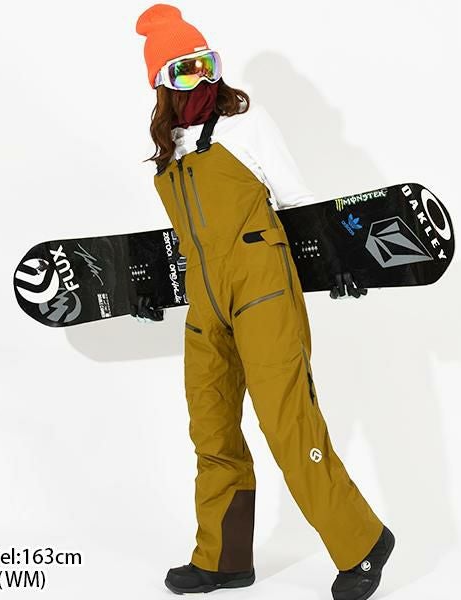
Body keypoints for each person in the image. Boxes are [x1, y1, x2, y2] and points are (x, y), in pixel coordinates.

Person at [134, 5, 395, 599]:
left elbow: (297, 202)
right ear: (161, 83)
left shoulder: (245, 125)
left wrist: (336, 263)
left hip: (264, 292)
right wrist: (149, 290)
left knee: (287, 422)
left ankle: (362, 542)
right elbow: (188, 241)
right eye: (184, 70)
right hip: (205, 307)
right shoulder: (170, 151)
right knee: (211, 430)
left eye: (206, 63)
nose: (201, 79)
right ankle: (224, 559)